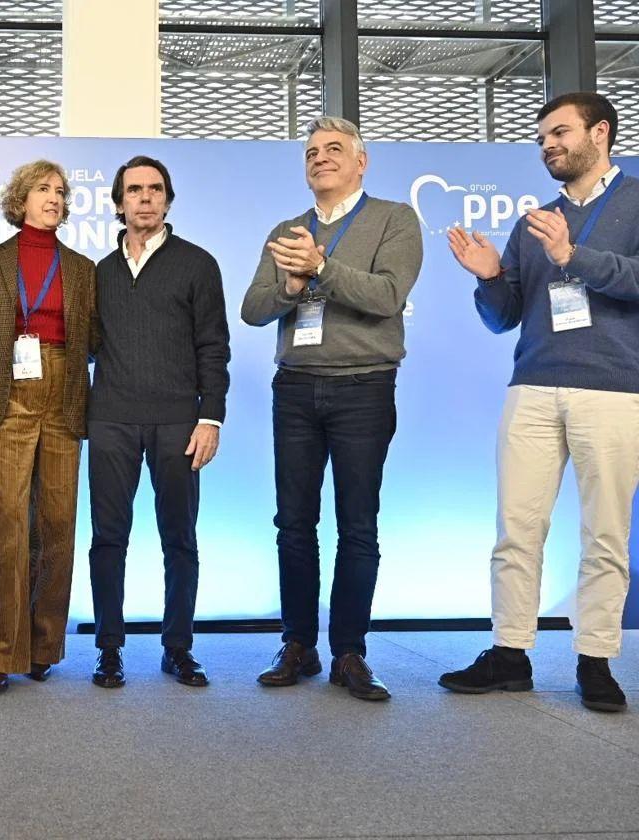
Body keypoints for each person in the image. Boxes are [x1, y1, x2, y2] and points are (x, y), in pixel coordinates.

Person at [442, 92, 639, 713]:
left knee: (603, 532)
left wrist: (572, 256)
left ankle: (597, 659)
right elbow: (504, 318)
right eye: (542, 138)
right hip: (531, 387)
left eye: (559, 133)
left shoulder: (635, 203)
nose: (548, 146)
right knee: (516, 530)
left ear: (600, 133)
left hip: (612, 389)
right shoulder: (533, 222)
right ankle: (510, 653)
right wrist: (488, 276)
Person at [241, 116, 423, 702]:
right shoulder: (286, 229)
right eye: (312, 152)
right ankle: (299, 643)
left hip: (364, 388)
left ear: (361, 161)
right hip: (294, 389)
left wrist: (320, 268)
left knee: (357, 526)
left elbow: (387, 295)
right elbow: (252, 309)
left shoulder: (394, 219)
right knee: (293, 525)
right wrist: (291, 289)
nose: (320, 158)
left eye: (334, 150)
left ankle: (350, 652)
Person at [87, 155, 230, 689]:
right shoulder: (99, 271)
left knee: (180, 539)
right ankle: (108, 649)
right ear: (119, 203)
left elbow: (214, 347)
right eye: (134, 190)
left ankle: (178, 647)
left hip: (178, 421)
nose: (144, 198)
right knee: (108, 538)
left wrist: (210, 417)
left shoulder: (198, 264)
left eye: (154, 189)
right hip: (111, 420)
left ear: (168, 199)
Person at [0, 160, 96, 694]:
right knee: (9, 520)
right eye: (43, 189)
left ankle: (44, 645)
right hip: (10, 391)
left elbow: (99, 339)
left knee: (59, 523)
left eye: (61, 192)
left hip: (66, 388)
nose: (54, 197)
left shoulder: (84, 269)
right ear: (20, 200)